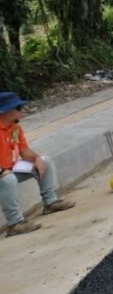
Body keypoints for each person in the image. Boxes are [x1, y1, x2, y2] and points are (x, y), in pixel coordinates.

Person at [0, 92, 75, 237]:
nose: (22, 111)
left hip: (11, 168)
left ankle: (50, 202)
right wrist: (2, 171)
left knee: (44, 161)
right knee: (8, 180)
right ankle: (14, 224)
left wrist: (36, 158)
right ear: (6, 111)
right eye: (19, 108)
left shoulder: (14, 127)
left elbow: (23, 150)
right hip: (3, 173)